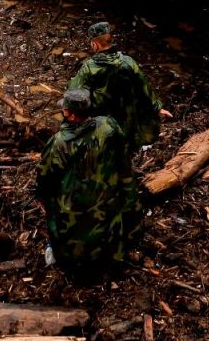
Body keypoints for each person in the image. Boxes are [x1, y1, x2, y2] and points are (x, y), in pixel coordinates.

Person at [36, 89, 143, 275]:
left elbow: (45, 181)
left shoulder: (59, 143)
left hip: (75, 215)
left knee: (52, 207)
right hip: (108, 202)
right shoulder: (108, 125)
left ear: (68, 113)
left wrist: (45, 200)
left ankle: (61, 249)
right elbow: (124, 157)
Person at [68, 21, 170, 149]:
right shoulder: (128, 62)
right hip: (128, 122)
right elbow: (144, 87)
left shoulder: (89, 67)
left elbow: (74, 93)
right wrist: (157, 107)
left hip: (103, 124)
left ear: (95, 44)